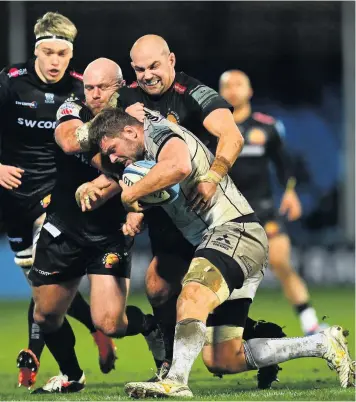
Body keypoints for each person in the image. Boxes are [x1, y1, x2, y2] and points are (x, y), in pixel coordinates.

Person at [89, 107, 354, 398]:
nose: (113, 158)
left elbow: (178, 166)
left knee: (192, 292)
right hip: (227, 242)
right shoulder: (143, 154)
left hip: (234, 231)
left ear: (130, 131)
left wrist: (130, 194)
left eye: (113, 150)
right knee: (223, 358)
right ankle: (321, 344)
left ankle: (175, 379)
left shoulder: (160, 135)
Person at [115, 34, 286, 389]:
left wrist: (212, 176)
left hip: (203, 205)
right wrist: (132, 200)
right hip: (166, 211)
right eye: (139, 69)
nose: (147, 75)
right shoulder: (127, 98)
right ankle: (173, 367)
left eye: (154, 66)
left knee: (184, 292)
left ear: (172, 60)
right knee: (161, 289)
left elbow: (232, 137)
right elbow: (122, 151)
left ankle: (176, 376)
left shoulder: (194, 92)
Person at [0, 12, 116, 389]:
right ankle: (94, 332)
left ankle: (36, 352)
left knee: (43, 275)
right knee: (43, 289)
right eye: (47, 52)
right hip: (13, 198)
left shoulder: (83, 89)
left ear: (71, 55)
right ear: (36, 51)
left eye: (62, 55)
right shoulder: (10, 83)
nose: (54, 62)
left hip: (57, 195)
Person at [29, 58, 159, 394]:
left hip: (108, 234)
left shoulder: (137, 118)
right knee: (45, 316)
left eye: (103, 87)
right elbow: (71, 141)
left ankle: (151, 327)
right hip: (64, 228)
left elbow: (145, 166)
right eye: (89, 87)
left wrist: (130, 203)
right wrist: (116, 174)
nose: (95, 94)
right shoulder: (71, 108)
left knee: (109, 323)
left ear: (121, 86)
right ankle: (72, 375)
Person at [219, 69, 324, 335]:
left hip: (263, 210)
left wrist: (290, 191)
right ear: (220, 94)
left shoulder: (266, 127)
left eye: (238, 84)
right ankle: (223, 331)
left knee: (281, 262)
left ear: (250, 91)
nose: (233, 89)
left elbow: (285, 164)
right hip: (225, 215)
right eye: (227, 86)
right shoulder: (212, 129)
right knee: (225, 275)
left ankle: (310, 324)